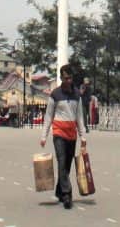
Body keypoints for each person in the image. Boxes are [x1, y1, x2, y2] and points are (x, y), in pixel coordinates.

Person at [39, 66, 88, 210]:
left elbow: (79, 117)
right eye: (66, 78)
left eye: (70, 78)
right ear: (61, 78)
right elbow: (49, 116)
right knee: (61, 161)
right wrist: (44, 135)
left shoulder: (77, 94)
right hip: (59, 133)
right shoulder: (55, 94)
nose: (69, 81)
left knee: (67, 165)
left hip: (71, 134)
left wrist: (83, 136)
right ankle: (67, 194)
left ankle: (59, 191)